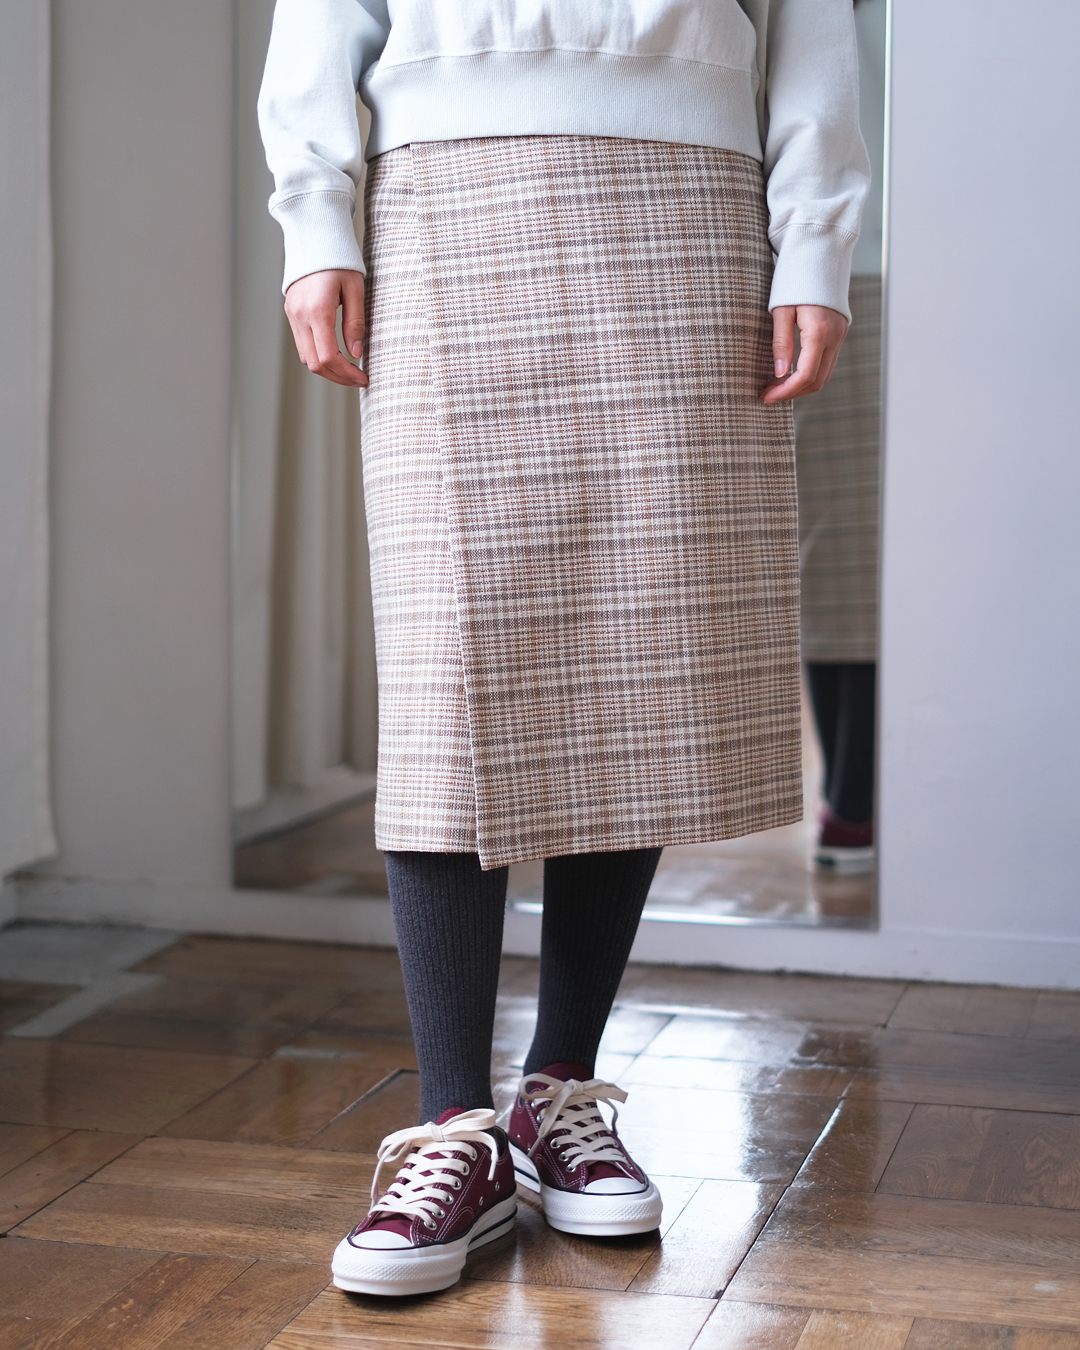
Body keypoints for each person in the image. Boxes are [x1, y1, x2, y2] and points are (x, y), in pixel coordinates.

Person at [259, 0, 868, 1297]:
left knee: (637, 641)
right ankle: (453, 1126)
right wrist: (314, 220)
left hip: (695, 205)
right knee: (446, 665)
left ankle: (559, 1091)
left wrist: (814, 241)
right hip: (440, 204)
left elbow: (814, 24)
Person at [794, 0, 886, 875]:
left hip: (912, 257)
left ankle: (855, 798)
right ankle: (853, 797)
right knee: (842, 546)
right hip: (839, 264)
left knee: (855, 546)